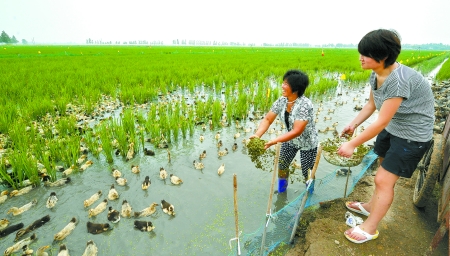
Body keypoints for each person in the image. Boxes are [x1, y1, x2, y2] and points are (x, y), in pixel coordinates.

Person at [337, 29, 434, 244]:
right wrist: (353, 125)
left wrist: (352, 144)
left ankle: (370, 228)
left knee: (383, 180)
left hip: (413, 135)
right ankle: (371, 206)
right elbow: (372, 105)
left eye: (366, 54)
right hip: (395, 127)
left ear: (382, 58)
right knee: (382, 167)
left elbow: (381, 121)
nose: (360, 58)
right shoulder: (377, 73)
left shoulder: (398, 81)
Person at [250, 69, 318, 193]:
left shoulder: (305, 105)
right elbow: (267, 119)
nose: (282, 86)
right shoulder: (282, 101)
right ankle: (282, 190)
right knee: (282, 165)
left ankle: (309, 195)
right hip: (289, 139)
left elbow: (297, 131)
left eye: (286, 84)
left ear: (296, 88)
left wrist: (273, 141)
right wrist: (257, 135)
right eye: (283, 82)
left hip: (307, 143)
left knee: (307, 171)